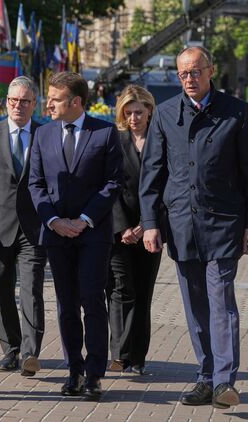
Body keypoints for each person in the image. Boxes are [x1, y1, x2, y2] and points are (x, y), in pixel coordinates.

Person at [139, 46, 248, 409]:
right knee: (195, 306)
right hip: (182, 224)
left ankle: (224, 382)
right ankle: (206, 377)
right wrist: (150, 223)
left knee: (221, 302)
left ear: (211, 71)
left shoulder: (235, 112)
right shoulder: (165, 114)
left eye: (195, 72)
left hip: (224, 224)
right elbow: (152, 174)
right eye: (183, 74)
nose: (189, 79)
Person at [28, 71, 123, 401]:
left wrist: (84, 220)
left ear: (77, 102)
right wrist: (53, 220)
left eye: (56, 99)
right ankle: (74, 371)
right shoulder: (42, 134)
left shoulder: (105, 133)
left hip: (93, 233)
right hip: (56, 233)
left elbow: (113, 182)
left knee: (92, 300)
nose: (48, 104)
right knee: (66, 304)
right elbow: (35, 183)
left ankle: (94, 374)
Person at [0, 76, 47, 377]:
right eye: (13, 100)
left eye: (25, 101)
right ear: (6, 102)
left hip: (35, 226)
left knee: (31, 290)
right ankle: (11, 349)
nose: (18, 106)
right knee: (2, 289)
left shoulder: (46, 134)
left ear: (34, 104)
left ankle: (30, 353)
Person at [107, 85, 164, 376]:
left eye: (139, 112)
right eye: (128, 112)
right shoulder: (115, 141)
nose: (133, 118)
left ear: (150, 111)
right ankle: (120, 353)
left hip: (150, 230)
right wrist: (123, 227)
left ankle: (137, 357)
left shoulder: (161, 141)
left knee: (142, 294)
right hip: (119, 231)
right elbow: (109, 187)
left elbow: (166, 188)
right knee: (120, 289)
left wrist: (146, 225)